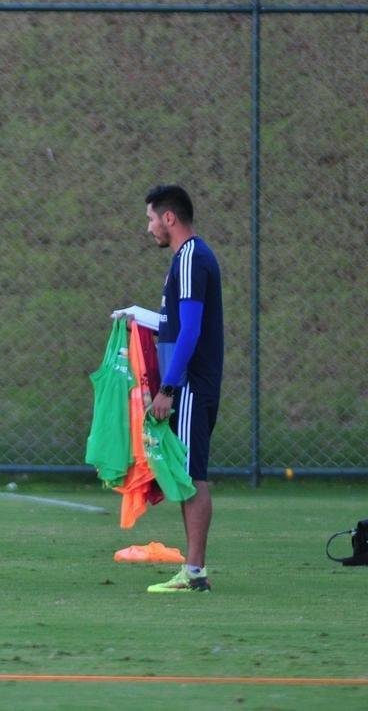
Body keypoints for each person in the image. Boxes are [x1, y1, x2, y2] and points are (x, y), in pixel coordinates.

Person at [143, 184, 223, 594]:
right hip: (189, 385)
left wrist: (169, 388)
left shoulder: (191, 257)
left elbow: (190, 330)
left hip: (190, 386)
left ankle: (194, 572)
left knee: (192, 475)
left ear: (169, 218)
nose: (150, 228)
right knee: (187, 472)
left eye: (152, 219)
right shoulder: (187, 259)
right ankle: (193, 570)